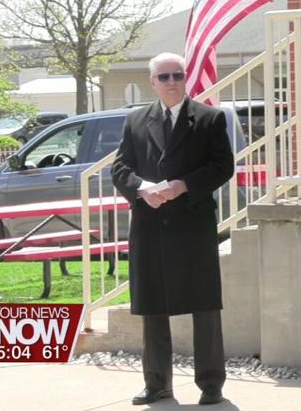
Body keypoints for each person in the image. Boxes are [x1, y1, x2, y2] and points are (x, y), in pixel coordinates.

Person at [111, 52, 235, 406]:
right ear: (152, 82)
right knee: (152, 306)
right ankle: (157, 384)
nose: (171, 82)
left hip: (193, 223)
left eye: (177, 75)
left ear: (186, 79)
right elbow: (120, 168)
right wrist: (141, 188)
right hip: (150, 223)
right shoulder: (135, 121)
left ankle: (211, 385)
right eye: (163, 77)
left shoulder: (209, 119)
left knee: (205, 306)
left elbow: (222, 166)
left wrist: (183, 185)